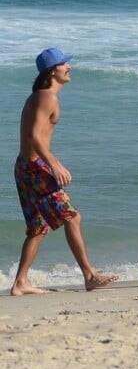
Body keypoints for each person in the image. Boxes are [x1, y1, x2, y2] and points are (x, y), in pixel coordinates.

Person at [11, 48, 119, 296]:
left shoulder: (40, 95)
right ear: (52, 70)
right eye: (64, 63)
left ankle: (20, 283)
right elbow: (34, 136)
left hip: (25, 166)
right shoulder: (47, 96)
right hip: (35, 168)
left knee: (37, 227)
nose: (68, 66)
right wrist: (54, 164)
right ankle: (89, 275)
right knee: (72, 217)